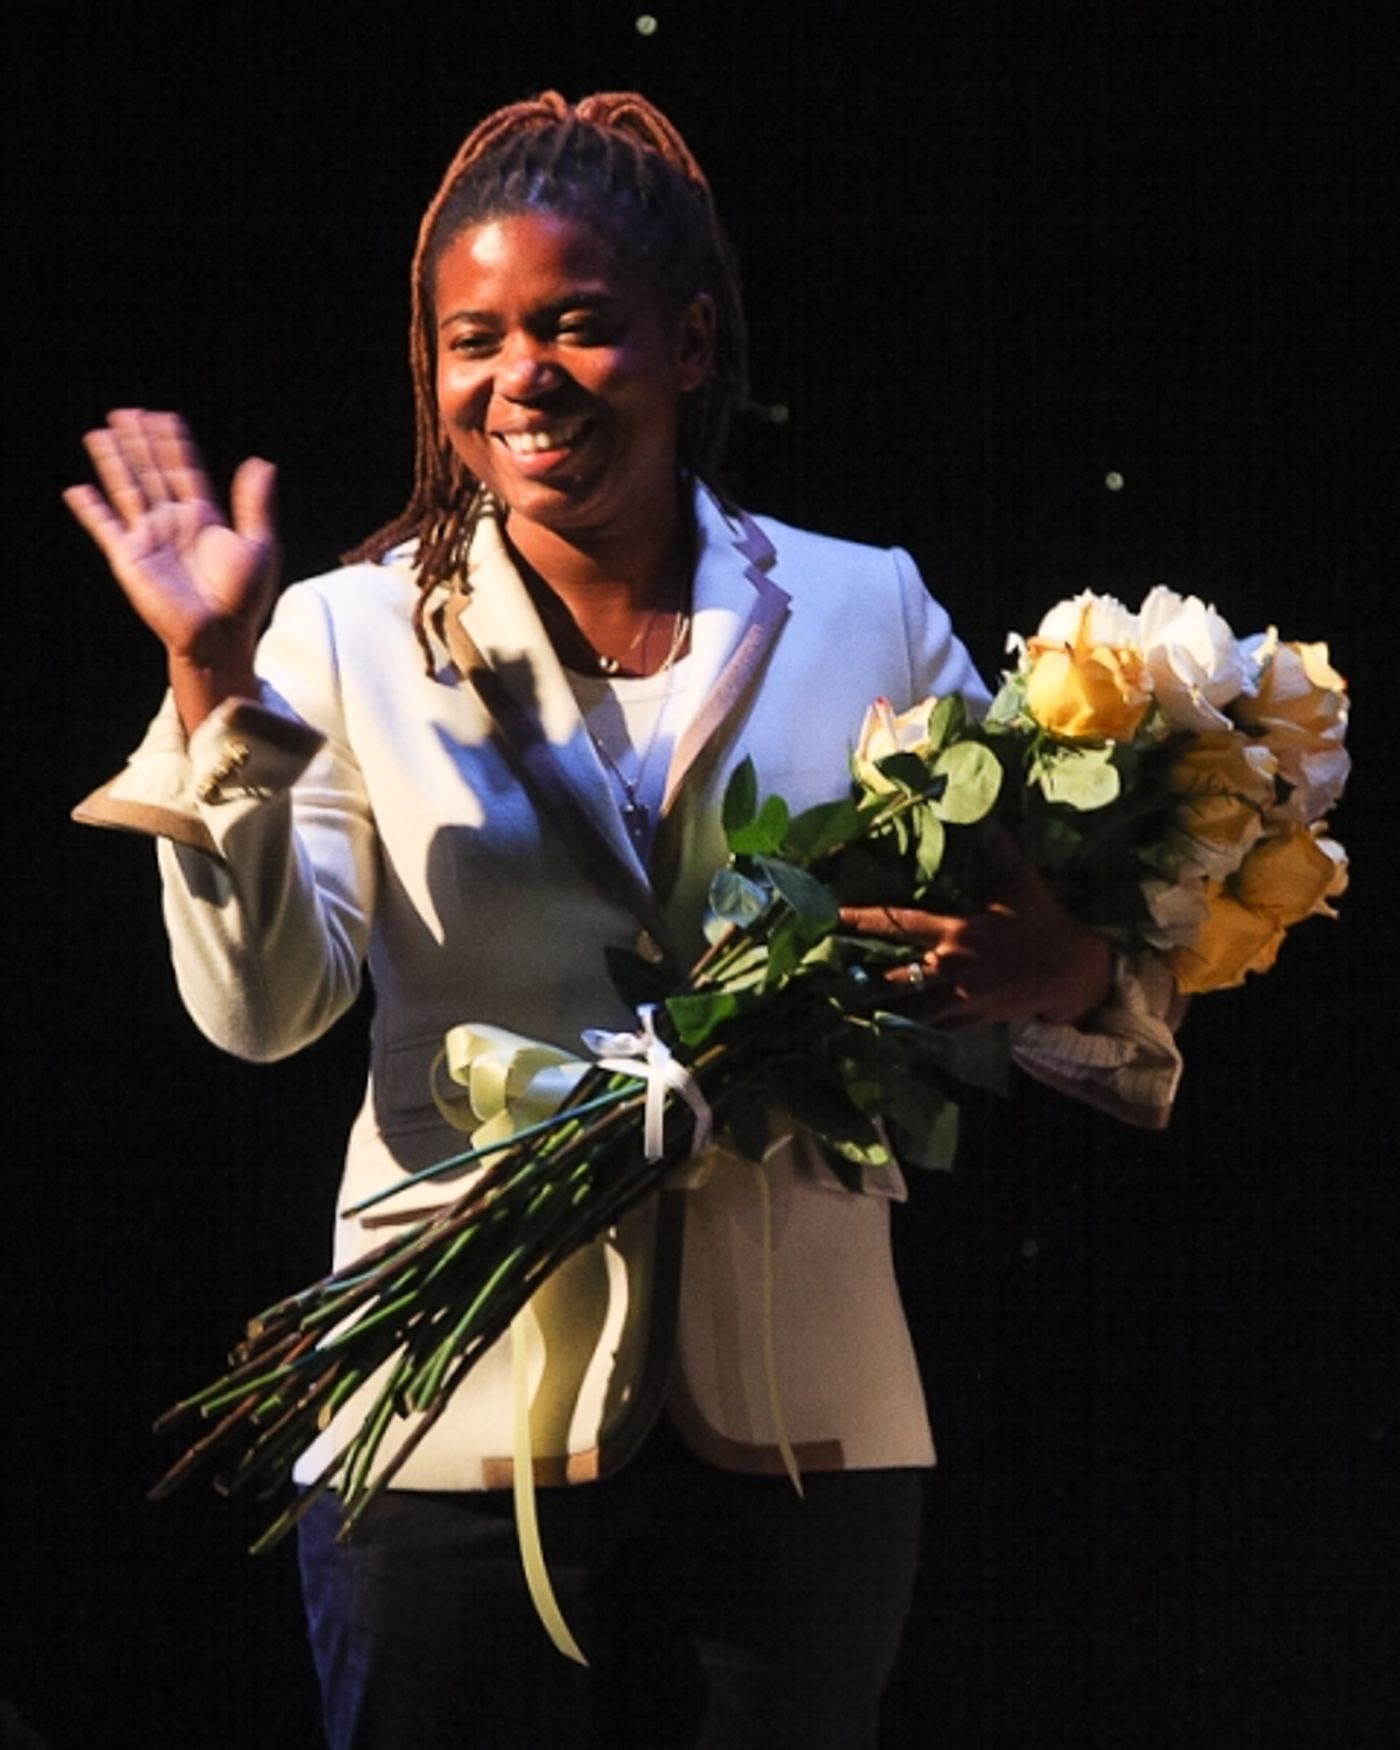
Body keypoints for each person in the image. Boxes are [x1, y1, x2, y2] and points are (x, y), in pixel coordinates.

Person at [66, 91, 1182, 1750]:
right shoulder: (342, 633)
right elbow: (262, 1010)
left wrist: (1077, 967)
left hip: (804, 1418)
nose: (520, 375)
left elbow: (1065, 933)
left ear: (689, 339)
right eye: (474, 339)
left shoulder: (864, 603)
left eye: (579, 326)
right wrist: (210, 684)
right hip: (447, 1414)